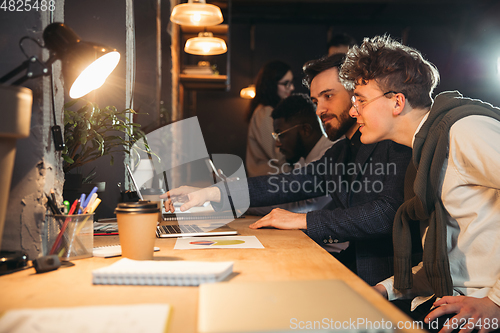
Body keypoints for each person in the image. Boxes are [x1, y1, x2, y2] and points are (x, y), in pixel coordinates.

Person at [162, 53, 414, 286]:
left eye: (329, 96)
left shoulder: (393, 142)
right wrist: (211, 193)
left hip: (392, 285)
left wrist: (302, 220)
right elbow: (286, 183)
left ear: (356, 95)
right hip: (355, 272)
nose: (319, 110)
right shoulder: (344, 150)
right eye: (316, 101)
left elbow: (387, 213)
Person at [339, 35, 500, 332]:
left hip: (478, 313)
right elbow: (446, 262)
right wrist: (383, 289)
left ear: (397, 102)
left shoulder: (463, 131)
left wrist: (496, 303)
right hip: (446, 301)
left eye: (359, 100)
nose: (352, 111)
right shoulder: (425, 153)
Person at [246, 92, 334, 215]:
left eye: (280, 135)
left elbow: (304, 209)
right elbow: (285, 193)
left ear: (305, 130)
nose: (277, 144)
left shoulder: (331, 154)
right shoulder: (303, 159)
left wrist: (240, 202)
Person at [246, 60, 295, 177]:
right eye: (286, 83)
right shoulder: (264, 112)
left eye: (292, 82)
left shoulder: (270, 111)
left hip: (273, 181)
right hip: (268, 183)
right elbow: (278, 155)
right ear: (272, 85)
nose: (292, 87)